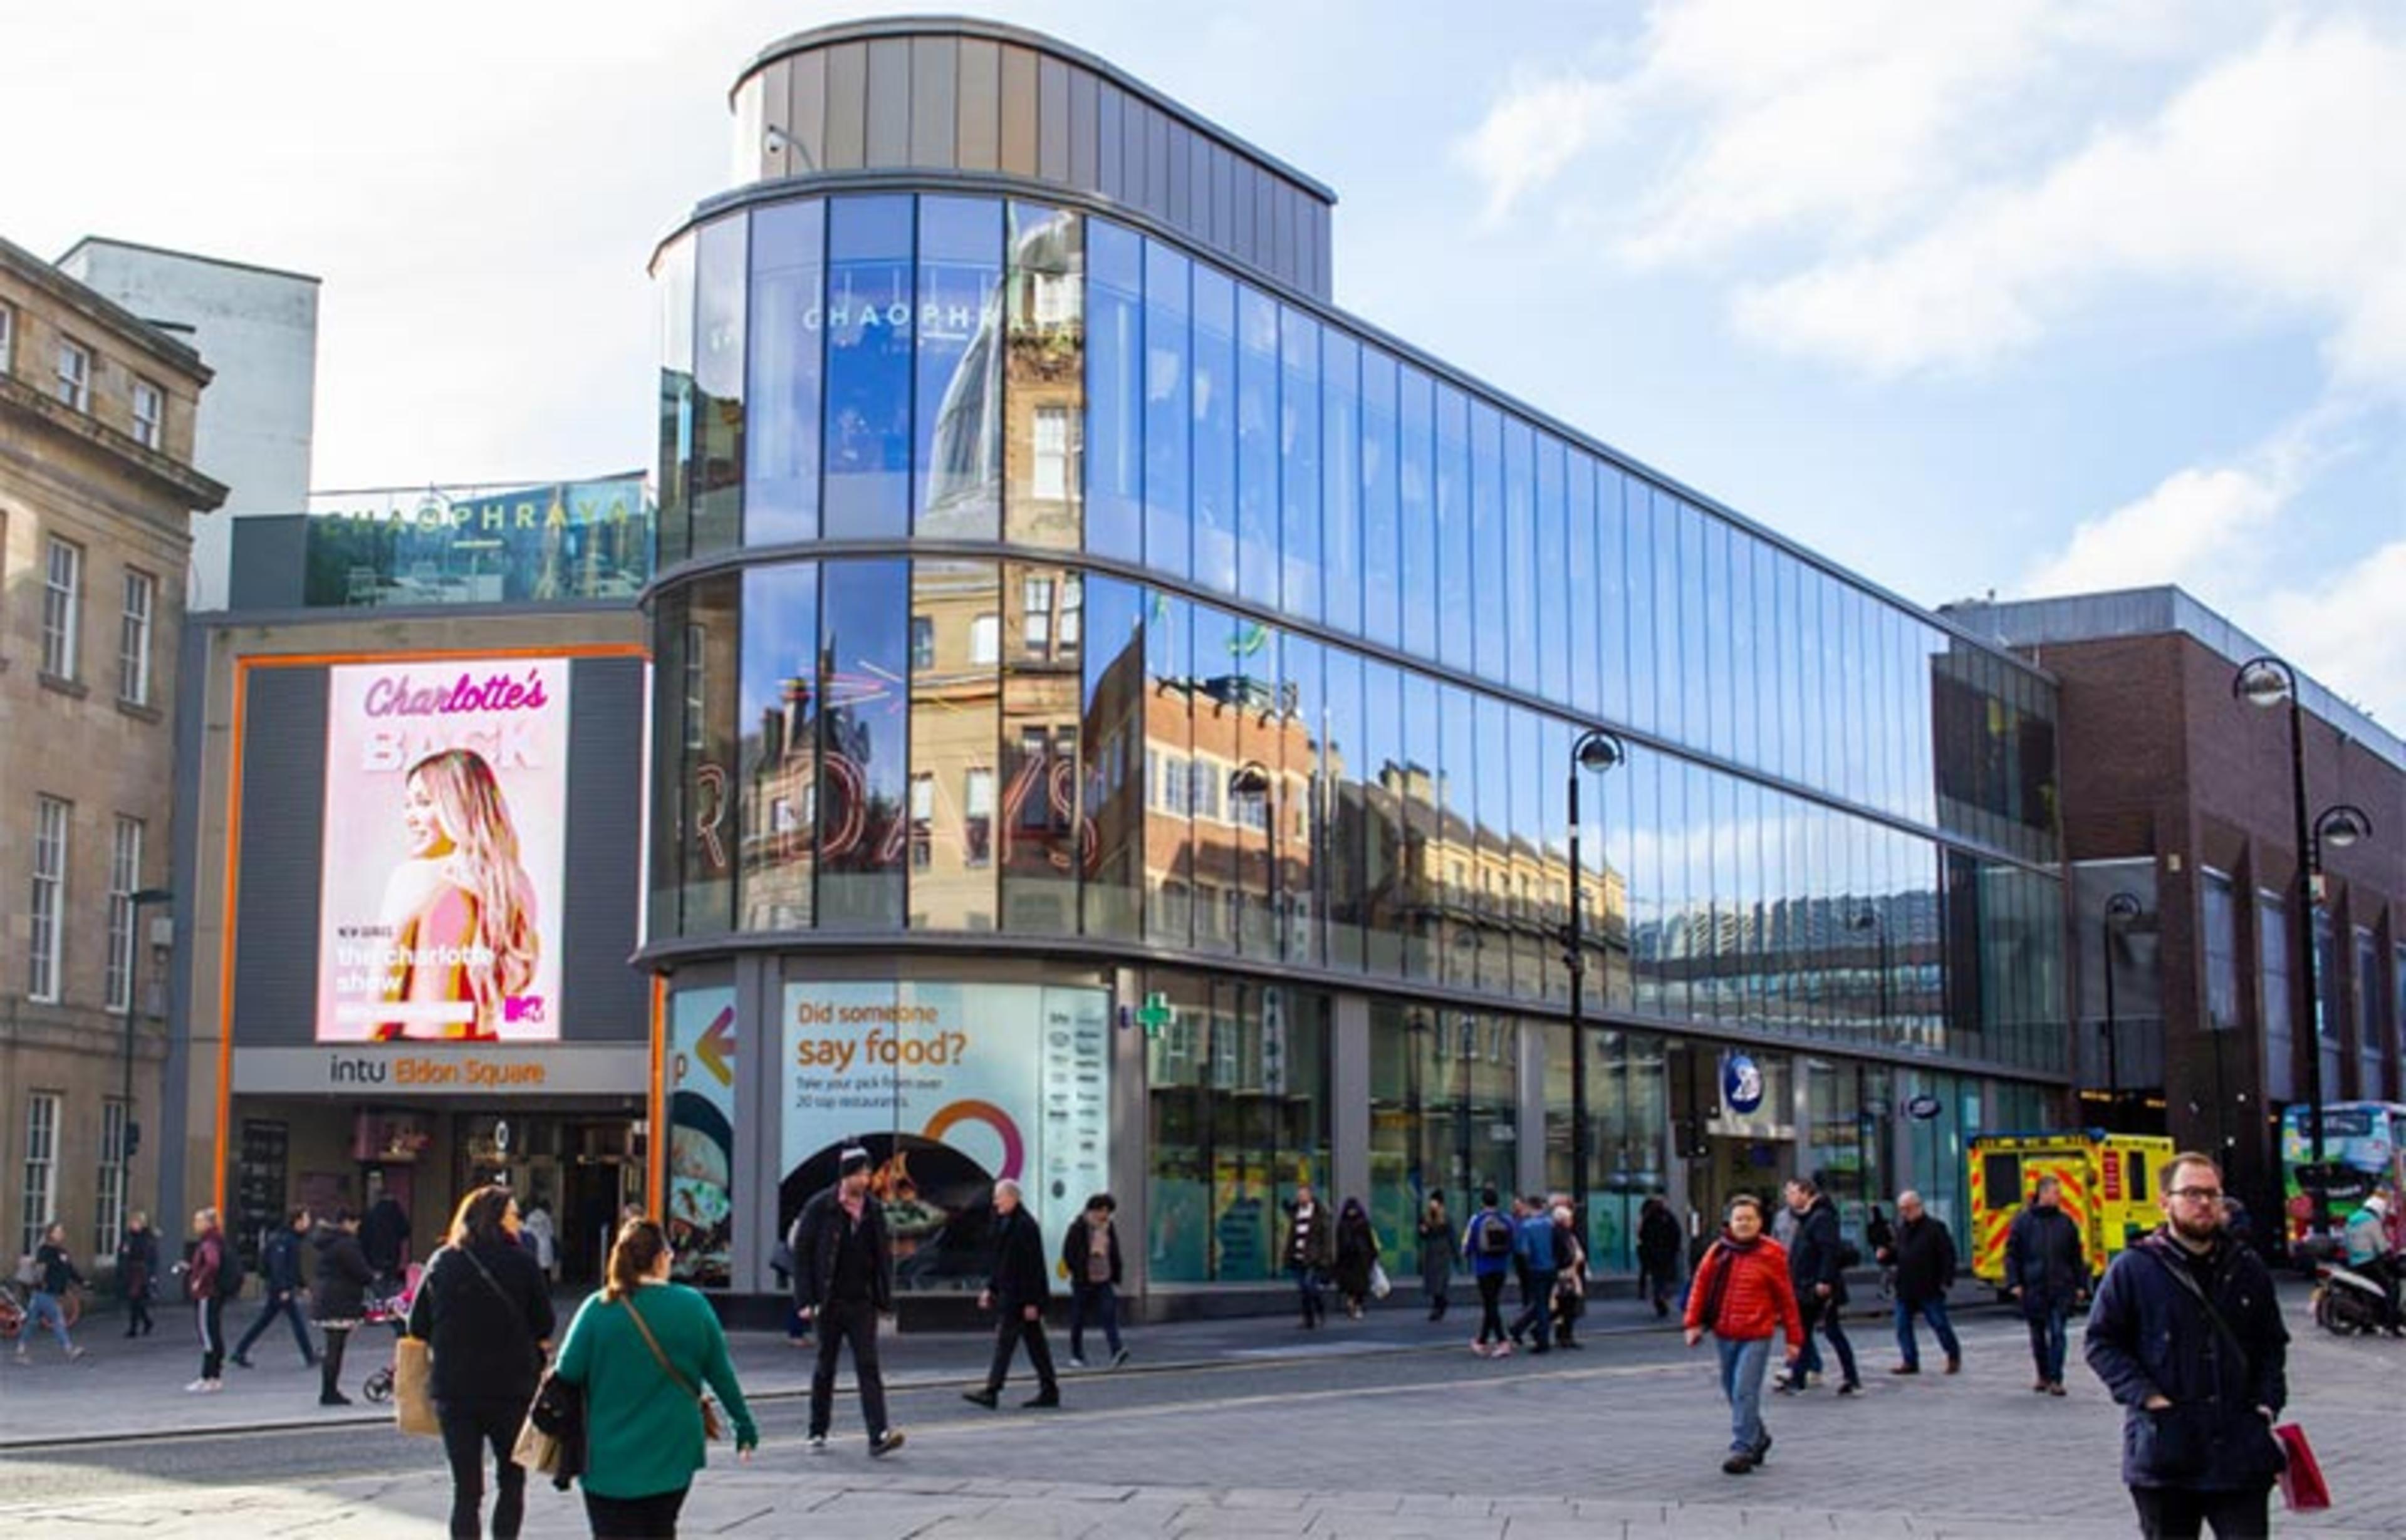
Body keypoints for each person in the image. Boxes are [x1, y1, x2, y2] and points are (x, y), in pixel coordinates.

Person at [2086, 1152, 2288, 1539]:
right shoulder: (2135, 1268)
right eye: (2192, 1193)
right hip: (2165, 1452)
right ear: (2165, 1202)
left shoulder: (2246, 1267)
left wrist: (2267, 1402)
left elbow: (2272, 1343)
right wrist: (2148, 1397)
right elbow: (2102, 1342)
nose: (2205, 1203)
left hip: (2238, 1449)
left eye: (2213, 1194)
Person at [555, 1219, 758, 1539]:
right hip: (673, 1453)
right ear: (662, 1257)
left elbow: (567, 1372)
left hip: (606, 1457)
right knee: (661, 1529)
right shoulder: (693, 1306)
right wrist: (743, 1425)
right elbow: (721, 1373)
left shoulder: (597, 1308)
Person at [405, 1187, 556, 1540]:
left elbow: (418, 1326)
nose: (519, 1222)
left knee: (466, 1491)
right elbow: (544, 1323)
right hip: (512, 1388)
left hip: (455, 1390)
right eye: (514, 1214)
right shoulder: (521, 1262)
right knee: (512, 1480)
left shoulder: (444, 1260)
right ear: (498, 1218)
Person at [372, 747, 539, 1043]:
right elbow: (515, 997)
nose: (409, 817)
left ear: (458, 807)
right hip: (488, 1062)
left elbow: (382, 1000)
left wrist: (355, 1070)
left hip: (414, 1067)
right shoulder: (514, 885)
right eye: (407, 805)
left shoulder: (411, 878)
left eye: (423, 803)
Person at [789, 1147, 905, 1455]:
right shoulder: (820, 1207)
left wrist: (884, 1298)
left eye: (868, 1174)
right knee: (825, 1366)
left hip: (861, 1301)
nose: (867, 1180)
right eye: (861, 1174)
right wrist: (806, 1299)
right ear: (847, 1176)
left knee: (868, 1366)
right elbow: (802, 1254)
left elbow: (882, 1257)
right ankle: (817, 1430)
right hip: (828, 1301)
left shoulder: (873, 1210)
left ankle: (878, 1434)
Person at [1683, 1195, 1805, 1475]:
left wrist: (1794, 1339)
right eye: (1739, 1219)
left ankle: (1742, 1448)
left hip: (1756, 1333)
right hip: (1725, 1332)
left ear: (1760, 1222)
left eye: (1750, 1218)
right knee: (1732, 1389)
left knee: (1744, 1390)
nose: (1744, 1224)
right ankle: (1758, 1436)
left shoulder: (1772, 1254)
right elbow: (1700, 1287)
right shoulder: (1718, 1252)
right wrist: (1692, 1323)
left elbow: (1787, 1298)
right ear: (1730, 1222)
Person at [964, 1178, 1060, 1410]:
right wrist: (991, 1288)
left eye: (999, 1197)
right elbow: (1001, 1262)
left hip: (1021, 1298)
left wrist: (1032, 1302)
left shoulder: (1026, 1226)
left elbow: (1033, 1267)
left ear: (1013, 1198)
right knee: (1036, 1345)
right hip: (1011, 1294)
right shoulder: (1005, 1222)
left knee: (1005, 1344)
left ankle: (992, 1391)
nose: (995, 1202)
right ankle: (1049, 1390)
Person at [2003, 1175, 2089, 1394]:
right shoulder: (2024, 1222)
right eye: (2055, 1192)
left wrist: (2080, 1285)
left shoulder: (2065, 1222)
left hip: (2060, 1287)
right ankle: (2043, 1374)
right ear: (2042, 1194)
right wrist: (2014, 1282)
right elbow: (2012, 1254)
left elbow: (2076, 1256)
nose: (2059, 1197)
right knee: (2038, 1335)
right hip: (2034, 1287)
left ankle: (2056, 1378)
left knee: (2058, 1333)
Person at [1776, 1178, 1859, 1395]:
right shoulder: (1810, 1217)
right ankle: (1800, 1378)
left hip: (1817, 1286)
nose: (1789, 1197)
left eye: (1792, 1192)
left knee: (1827, 1332)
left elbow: (1828, 1251)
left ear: (1806, 1193)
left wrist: (1824, 1280)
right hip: (1806, 1284)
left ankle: (1848, 1378)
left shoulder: (1821, 1217)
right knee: (1807, 1332)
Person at [1882, 1190, 1961, 1375]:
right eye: (1901, 1209)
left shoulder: (1935, 1228)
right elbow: (1898, 1255)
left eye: (1908, 1209)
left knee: (1939, 1323)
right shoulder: (1902, 1231)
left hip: (1929, 1285)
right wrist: (1886, 1256)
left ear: (1918, 1207)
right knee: (1902, 1326)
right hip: (1906, 1286)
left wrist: (1945, 1280)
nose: (1904, 1213)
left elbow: (1948, 1255)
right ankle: (1910, 1360)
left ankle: (1953, 1355)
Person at [232, 1207, 318, 1370]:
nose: (309, 1223)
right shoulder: (285, 1240)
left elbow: (292, 1267)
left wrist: (301, 1285)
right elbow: (279, 1266)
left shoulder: (290, 1239)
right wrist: (284, 1288)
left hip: (280, 1287)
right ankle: (309, 1356)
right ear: (297, 1221)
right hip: (280, 1288)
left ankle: (240, 1350)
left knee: (265, 1320)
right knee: (295, 1321)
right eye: (306, 1219)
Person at [311, 1208, 375, 1406]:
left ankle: (328, 1389)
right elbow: (361, 1272)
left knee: (333, 1345)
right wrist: (372, 1278)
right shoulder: (346, 1244)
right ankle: (329, 1392)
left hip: (326, 1297)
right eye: (356, 1224)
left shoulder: (328, 1242)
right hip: (341, 1300)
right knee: (336, 1348)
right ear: (347, 1222)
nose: (357, 1228)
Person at [1060, 1193, 1128, 1368]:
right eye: (1102, 1211)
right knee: (1078, 1318)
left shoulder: (1108, 1227)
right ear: (1092, 1210)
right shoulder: (1078, 1227)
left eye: (1108, 1211)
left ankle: (1117, 1350)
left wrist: (1117, 1273)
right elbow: (1068, 1253)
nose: (1105, 1215)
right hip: (1084, 1280)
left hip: (1104, 1278)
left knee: (1109, 1315)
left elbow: (1114, 1251)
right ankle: (1077, 1354)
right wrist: (1077, 1271)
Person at [182, 1207, 238, 1392]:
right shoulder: (218, 1240)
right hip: (217, 1292)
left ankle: (208, 1376)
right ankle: (215, 1376)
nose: (195, 1224)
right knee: (214, 1332)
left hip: (207, 1293)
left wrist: (199, 1280)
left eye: (199, 1221)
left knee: (208, 1334)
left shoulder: (208, 1243)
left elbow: (212, 1263)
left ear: (208, 1223)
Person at [18, 1223, 86, 1363]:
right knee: (58, 1320)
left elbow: (70, 1270)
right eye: (58, 1231)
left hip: (46, 1293)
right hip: (46, 1291)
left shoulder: (62, 1252)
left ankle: (21, 1350)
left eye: (62, 1231)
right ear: (51, 1234)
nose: (61, 1234)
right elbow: (41, 1266)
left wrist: (82, 1281)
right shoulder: (45, 1250)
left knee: (32, 1323)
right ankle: (69, 1350)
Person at [1461, 1187, 1516, 1356]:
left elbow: (1468, 1247)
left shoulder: (1477, 1220)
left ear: (1482, 1202)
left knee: (1491, 1305)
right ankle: (1481, 1342)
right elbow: (1513, 1244)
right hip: (1501, 1268)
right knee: (1491, 1304)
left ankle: (1503, 1342)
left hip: (1483, 1268)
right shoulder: (1507, 1220)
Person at [2342, 1190, 2402, 1334]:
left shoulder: (2354, 1217)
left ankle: (2373, 1321)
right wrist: (2393, 1253)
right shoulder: (2371, 1221)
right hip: (2368, 1261)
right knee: (2392, 1287)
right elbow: (2381, 1247)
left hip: (2354, 1261)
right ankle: (2391, 1323)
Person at [1283, 1182, 1336, 1329]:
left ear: (1310, 1196)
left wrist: (1325, 1258)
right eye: (1299, 1195)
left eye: (1303, 1195)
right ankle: (1309, 1319)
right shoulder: (1296, 1213)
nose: (1301, 1198)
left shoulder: (1319, 1214)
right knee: (1303, 1290)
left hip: (1313, 1258)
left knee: (1310, 1286)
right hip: (1298, 1257)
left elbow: (1326, 1238)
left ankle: (1320, 1310)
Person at [1508, 1195, 1557, 1353]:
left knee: (1540, 1304)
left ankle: (1542, 1341)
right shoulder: (1551, 1223)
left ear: (1530, 1207)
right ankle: (1518, 1328)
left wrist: (1527, 1266)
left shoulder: (1527, 1226)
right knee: (1542, 1303)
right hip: (1551, 1267)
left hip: (1536, 1268)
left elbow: (1524, 1250)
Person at [1332, 1197, 1380, 1321]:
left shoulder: (1362, 1224)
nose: (1352, 1212)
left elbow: (1370, 1240)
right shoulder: (1344, 1225)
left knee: (1359, 1287)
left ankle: (1356, 1305)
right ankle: (1353, 1305)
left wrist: (1372, 1255)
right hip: (1349, 1260)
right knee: (1351, 1286)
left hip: (1361, 1260)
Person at [117, 1211, 160, 1338]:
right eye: (133, 1222)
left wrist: (152, 1275)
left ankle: (134, 1328)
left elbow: (153, 1257)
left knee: (134, 1297)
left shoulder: (148, 1238)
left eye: (137, 1223)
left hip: (142, 1270)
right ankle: (146, 1321)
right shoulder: (128, 1237)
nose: (134, 1225)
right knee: (136, 1300)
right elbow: (122, 1252)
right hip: (130, 1269)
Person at [1638, 1196, 1682, 1319]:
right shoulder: (1669, 1217)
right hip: (1666, 1254)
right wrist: (1674, 1250)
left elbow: (1642, 1235)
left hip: (1654, 1254)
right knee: (1664, 1277)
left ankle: (1659, 1295)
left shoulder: (1649, 1218)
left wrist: (1648, 1249)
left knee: (1657, 1278)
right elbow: (1676, 1234)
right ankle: (1661, 1295)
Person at [1550, 1204, 1587, 1350]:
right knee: (1567, 1306)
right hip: (1566, 1274)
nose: (1571, 1221)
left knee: (1563, 1307)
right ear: (1563, 1220)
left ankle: (1563, 1336)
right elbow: (1567, 1254)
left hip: (1565, 1273)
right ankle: (1566, 1337)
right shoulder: (1562, 1234)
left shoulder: (1559, 1232)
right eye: (1569, 1218)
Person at [363, 1189, 412, 1292]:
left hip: (374, 1253)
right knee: (391, 1280)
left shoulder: (372, 1213)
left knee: (376, 1282)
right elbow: (406, 1230)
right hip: (393, 1251)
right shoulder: (397, 1212)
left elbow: (365, 1235)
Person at [1417, 1191, 1453, 1321]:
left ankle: (1439, 1306)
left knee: (1440, 1281)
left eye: (1434, 1201)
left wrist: (1455, 1254)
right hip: (1431, 1251)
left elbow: (1451, 1235)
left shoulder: (1445, 1218)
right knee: (1432, 1281)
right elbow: (1422, 1234)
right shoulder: (1426, 1217)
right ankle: (1438, 1304)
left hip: (1442, 1251)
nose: (1431, 1204)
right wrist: (1423, 1230)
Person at [1864, 1204, 1897, 1299]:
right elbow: (1893, 1235)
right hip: (1887, 1249)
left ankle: (1886, 1289)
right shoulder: (1885, 1223)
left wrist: (1877, 1246)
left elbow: (1870, 1240)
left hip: (1880, 1250)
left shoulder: (1871, 1227)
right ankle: (1887, 1289)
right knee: (1888, 1271)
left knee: (1885, 1270)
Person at [521, 1200, 559, 1281]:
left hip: (535, 1245)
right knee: (546, 1270)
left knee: (536, 1269)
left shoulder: (531, 1216)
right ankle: (548, 1288)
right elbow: (551, 1232)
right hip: (546, 1244)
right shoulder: (546, 1217)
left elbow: (526, 1230)